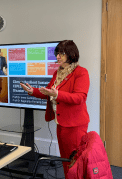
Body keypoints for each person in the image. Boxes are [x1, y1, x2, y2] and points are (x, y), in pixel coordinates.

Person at [20, 40, 90, 177]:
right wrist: (31, 90)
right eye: (57, 53)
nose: (58, 57)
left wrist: (57, 94)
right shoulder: (58, 73)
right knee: (64, 158)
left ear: (71, 54)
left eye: (61, 54)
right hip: (61, 123)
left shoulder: (81, 72)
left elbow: (79, 98)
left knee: (74, 160)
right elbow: (47, 92)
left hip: (75, 125)